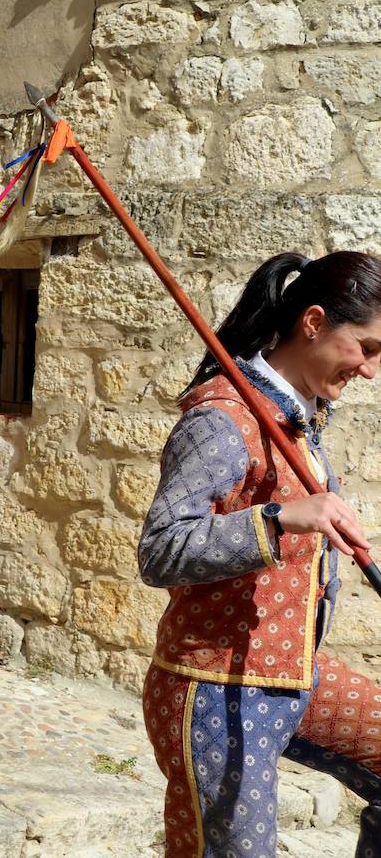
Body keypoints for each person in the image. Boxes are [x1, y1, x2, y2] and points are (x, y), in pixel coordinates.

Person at [138, 251, 381, 856]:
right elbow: (161, 548)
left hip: (290, 673)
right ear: (314, 322)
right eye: (367, 347)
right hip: (216, 686)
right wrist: (277, 521)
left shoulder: (300, 417)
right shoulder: (222, 419)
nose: (373, 371)